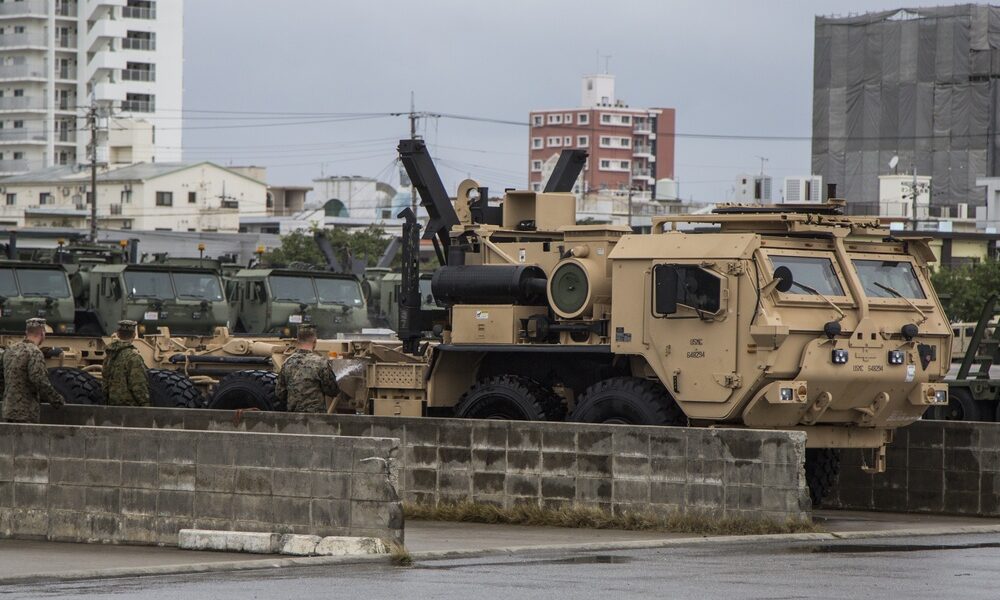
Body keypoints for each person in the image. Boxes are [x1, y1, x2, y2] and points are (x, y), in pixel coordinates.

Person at [2, 318, 64, 423]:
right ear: (42, 333)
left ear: (26, 332)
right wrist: (56, 400)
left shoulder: (10, 350)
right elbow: (38, 379)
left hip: (7, 411)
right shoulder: (34, 352)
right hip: (26, 413)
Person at [275, 325, 339, 413]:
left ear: (297, 341)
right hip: (315, 419)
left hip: (293, 419)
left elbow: (280, 393)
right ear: (315, 341)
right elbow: (333, 391)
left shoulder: (287, 363)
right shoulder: (320, 362)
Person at [102, 320, 150, 407]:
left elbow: (105, 381)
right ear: (134, 335)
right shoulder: (133, 357)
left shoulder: (109, 355)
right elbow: (138, 385)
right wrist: (146, 405)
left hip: (111, 405)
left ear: (118, 334)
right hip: (129, 408)